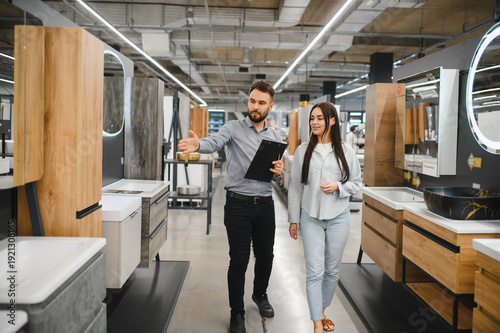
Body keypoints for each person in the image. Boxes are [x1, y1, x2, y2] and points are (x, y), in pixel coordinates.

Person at [178, 81, 284, 333]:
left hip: (265, 205)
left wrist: (280, 172)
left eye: (261, 103)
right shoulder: (233, 128)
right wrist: (198, 145)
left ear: (270, 106)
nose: (255, 107)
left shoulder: (275, 136)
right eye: (252, 101)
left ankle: (260, 294)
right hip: (238, 205)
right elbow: (214, 141)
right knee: (238, 261)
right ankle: (237, 312)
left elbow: (276, 175)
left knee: (266, 256)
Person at [287, 102, 361, 333]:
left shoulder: (346, 151)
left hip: (339, 217)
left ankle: (322, 309)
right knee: (315, 271)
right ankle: (317, 323)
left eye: (319, 118)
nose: (314, 122)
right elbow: (295, 187)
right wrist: (293, 219)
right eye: (312, 118)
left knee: (332, 270)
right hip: (311, 218)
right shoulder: (303, 150)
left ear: (331, 120)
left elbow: (357, 183)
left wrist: (339, 186)